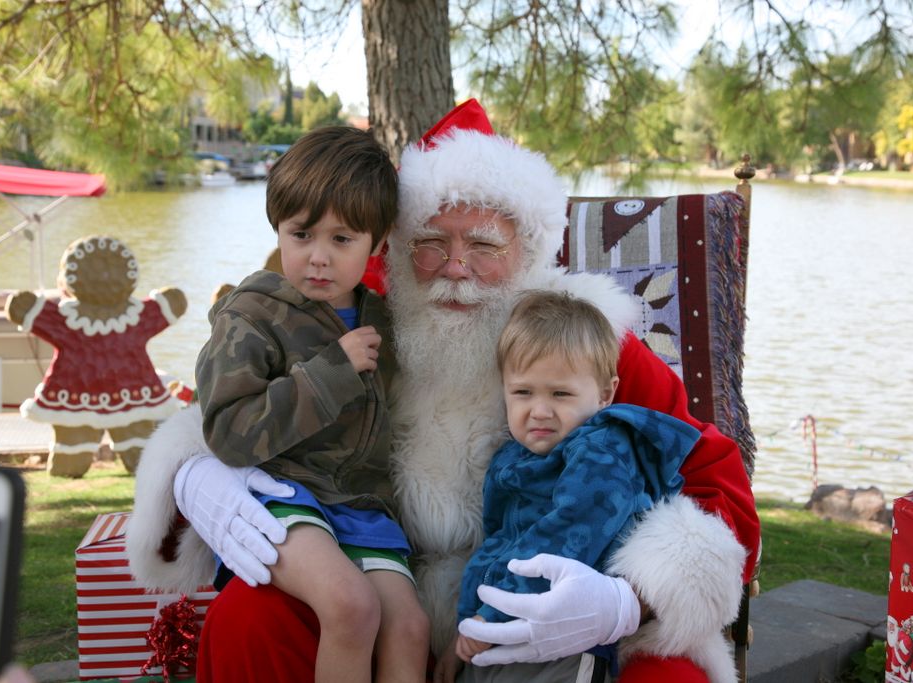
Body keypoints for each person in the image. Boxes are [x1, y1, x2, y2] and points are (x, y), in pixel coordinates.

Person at [127, 99, 759, 683]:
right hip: (369, 577)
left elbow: (713, 483)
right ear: (395, 251)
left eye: (484, 245)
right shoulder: (355, 322)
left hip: (542, 604)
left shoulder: (584, 342)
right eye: (431, 244)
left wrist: (627, 601)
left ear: (530, 250)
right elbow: (226, 405)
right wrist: (195, 477)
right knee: (250, 620)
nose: (456, 268)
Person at [195, 126, 429, 683]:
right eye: (302, 234)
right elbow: (227, 431)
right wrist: (330, 374)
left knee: (411, 628)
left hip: (365, 507)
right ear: (278, 228)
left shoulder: (386, 322)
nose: (317, 258)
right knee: (352, 606)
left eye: (342, 239)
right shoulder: (251, 315)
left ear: (377, 243)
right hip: (285, 494)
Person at [433, 290, 716, 683]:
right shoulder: (513, 457)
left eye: (560, 394)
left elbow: (570, 534)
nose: (540, 410)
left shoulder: (601, 453)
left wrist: (487, 618)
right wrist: (467, 626)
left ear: (604, 394)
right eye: (522, 392)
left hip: (567, 634)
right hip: (500, 626)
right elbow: (495, 546)